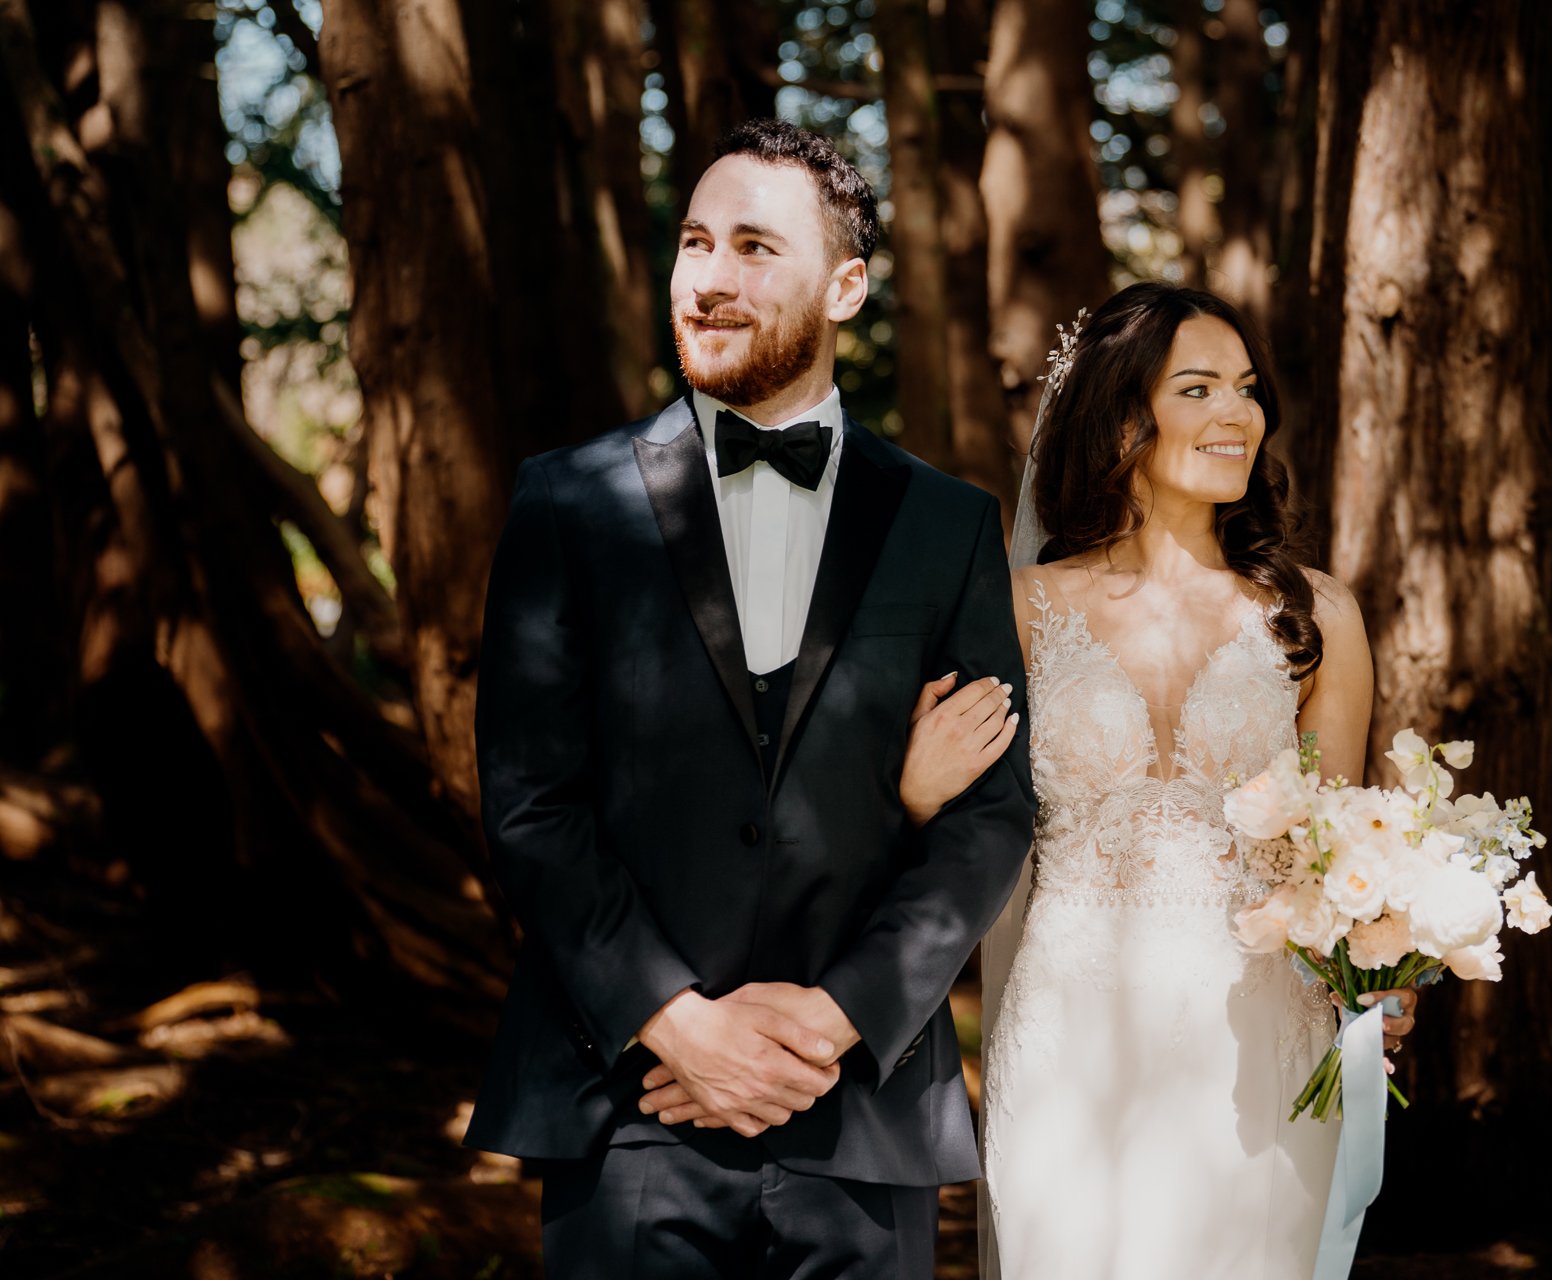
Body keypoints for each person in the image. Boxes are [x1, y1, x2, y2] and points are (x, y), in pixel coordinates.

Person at [462, 117, 1035, 1280]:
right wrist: (683, 1022)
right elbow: (532, 805)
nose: (712, 280)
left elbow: (991, 814)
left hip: (862, 1105)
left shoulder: (949, 523)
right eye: (694, 242)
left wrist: (828, 1023)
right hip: (632, 1103)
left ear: (847, 285)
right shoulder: (565, 502)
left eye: (756, 248)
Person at [922, 282, 1420, 1279]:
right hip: (1069, 1029)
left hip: (1260, 1033)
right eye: (1198, 387)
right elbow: (957, 817)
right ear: (1121, 413)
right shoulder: (1014, 608)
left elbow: (1338, 846)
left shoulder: (1317, 616)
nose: (1237, 413)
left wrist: (1382, 966)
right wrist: (915, 788)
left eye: (1247, 389)